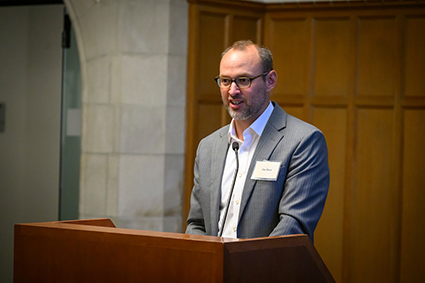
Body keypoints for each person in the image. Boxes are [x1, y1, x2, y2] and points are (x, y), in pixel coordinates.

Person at [185, 40, 329, 242]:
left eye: (243, 80)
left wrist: (241, 267)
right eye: (225, 81)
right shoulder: (208, 147)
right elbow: (197, 224)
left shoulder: (303, 141)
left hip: (266, 271)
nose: (232, 91)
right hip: (213, 271)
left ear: (270, 80)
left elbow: (294, 225)